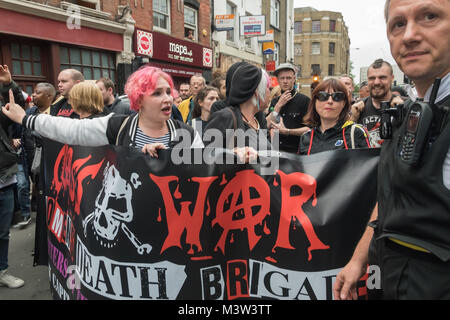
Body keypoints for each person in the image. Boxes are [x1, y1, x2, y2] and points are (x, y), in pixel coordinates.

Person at [334, 0, 450, 300]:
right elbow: (389, 198)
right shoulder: (410, 112)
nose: (409, 34)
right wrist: (359, 259)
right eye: (398, 24)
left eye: (429, 16)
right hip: (384, 279)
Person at [3, 66, 203, 158]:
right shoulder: (116, 126)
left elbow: (206, 172)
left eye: (168, 91)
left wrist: (232, 157)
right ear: (139, 99)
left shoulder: (187, 134)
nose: (168, 98)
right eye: (157, 93)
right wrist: (24, 118)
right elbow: (69, 128)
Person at [205, 63, 271, 155]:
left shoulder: (257, 120)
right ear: (257, 93)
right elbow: (207, 157)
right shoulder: (225, 117)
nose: (270, 92)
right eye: (267, 88)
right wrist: (233, 155)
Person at [298, 78, 371, 155]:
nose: (330, 101)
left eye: (337, 96)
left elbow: (367, 165)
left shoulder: (355, 132)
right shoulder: (306, 137)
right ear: (314, 101)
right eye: (323, 96)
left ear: (344, 103)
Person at [0, 65, 25, 288]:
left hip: (4, 180)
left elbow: (16, 108)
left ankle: (2, 271)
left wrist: (9, 84)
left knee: (2, 232)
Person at [350, 59, 403, 147]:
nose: (376, 82)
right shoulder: (358, 108)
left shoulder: (402, 105)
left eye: (382, 77)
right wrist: (353, 118)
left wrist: (402, 112)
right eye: (372, 78)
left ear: (392, 78)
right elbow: (347, 141)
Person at [266, 63, 311, 153]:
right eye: (282, 78)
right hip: (276, 150)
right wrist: (278, 106)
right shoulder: (275, 101)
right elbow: (267, 125)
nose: (285, 81)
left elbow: (309, 129)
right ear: (278, 80)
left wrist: (288, 131)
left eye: (288, 78)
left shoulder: (304, 100)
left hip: (296, 151)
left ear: (294, 79)